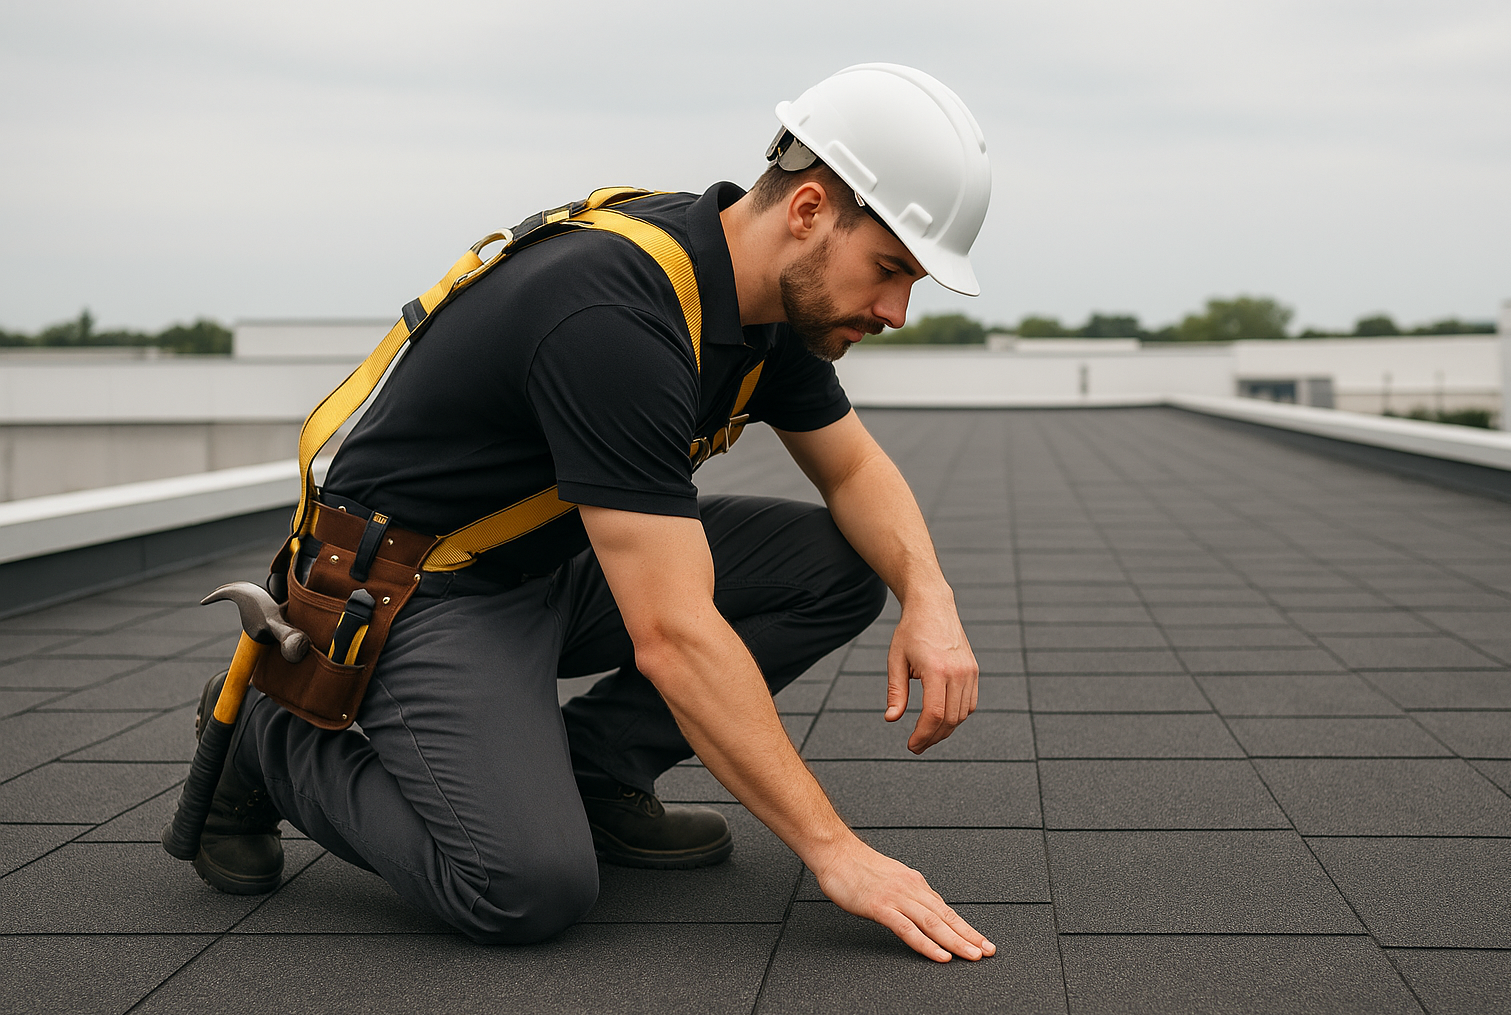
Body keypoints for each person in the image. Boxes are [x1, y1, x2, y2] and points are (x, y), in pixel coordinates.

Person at [183, 62, 996, 963]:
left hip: (550, 560)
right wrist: (837, 854)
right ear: (808, 210)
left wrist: (930, 597)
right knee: (523, 887)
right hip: (417, 589)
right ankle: (267, 736)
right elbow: (674, 635)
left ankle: (596, 775)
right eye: (889, 270)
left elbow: (854, 471)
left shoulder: (767, 300)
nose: (896, 311)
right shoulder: (615, 313)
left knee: (840, 565)